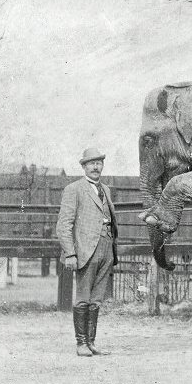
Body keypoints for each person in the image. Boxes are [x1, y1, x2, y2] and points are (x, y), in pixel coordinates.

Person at [55, 148, 118, 357]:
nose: (95, 167)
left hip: (106, 248)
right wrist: (70, 253)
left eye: (99, 163)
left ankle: (91, 342)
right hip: (84, 250)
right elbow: (64, 224)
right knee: (83, 298)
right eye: (91, 163)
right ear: (84, 167)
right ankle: (81, 343)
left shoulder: (106, 190)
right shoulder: (74, 189)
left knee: (97, 299)